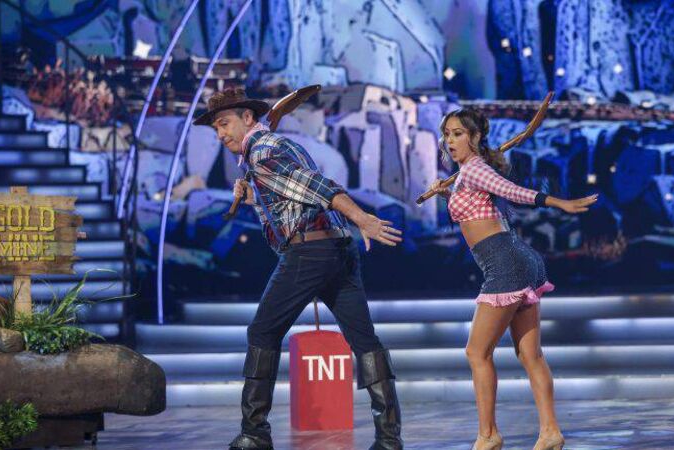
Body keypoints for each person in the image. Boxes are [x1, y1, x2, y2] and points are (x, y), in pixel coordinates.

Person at [193, 87, 404, 450]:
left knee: (262, 332)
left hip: (310, 252)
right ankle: (389, 439)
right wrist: (254, 197)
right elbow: (293, 201)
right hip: (337, 248)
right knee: (364, 341)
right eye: (216, 128)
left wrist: (362, 218)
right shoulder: (274, 148)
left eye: (224, 124)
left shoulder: (263, 151)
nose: (220, 134)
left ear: (248, 118)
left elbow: (317, 186)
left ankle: (254, 433)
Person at [428, 107, 598, 450]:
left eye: (458, 134)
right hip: (519, 260)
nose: (450, 141)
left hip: (504, 263)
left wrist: (556, 203)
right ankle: (550, 432)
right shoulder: (467, 174)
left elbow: (512, 190)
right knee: (530, 354)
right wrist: (447, 193)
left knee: (477, 352)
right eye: (447, 135)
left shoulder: (476, 169)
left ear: (476, 137)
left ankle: (488, 434)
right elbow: (475, 206)